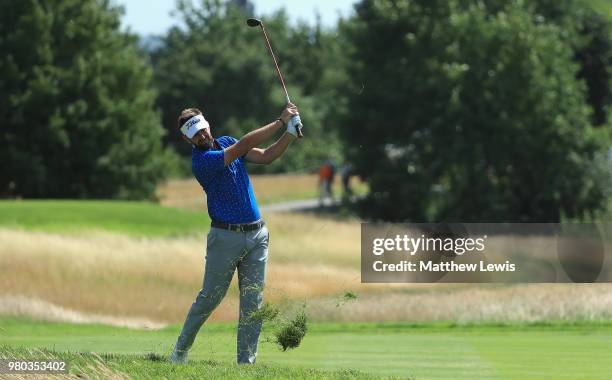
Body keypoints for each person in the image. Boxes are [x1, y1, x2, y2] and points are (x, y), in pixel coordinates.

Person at [170, 103, 301, 365]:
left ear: (208, 126)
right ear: (187, 139)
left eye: (203, 130)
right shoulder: (202, 162)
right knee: (210, 298)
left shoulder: (226, 141)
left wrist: (289, 133)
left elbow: (266, 156)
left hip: (257, 235)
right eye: (195, 134)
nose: (202, 136)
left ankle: (246, 364)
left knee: (253, 302)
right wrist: (279, 122)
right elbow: (241, 147)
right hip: (225, 237)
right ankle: (180, 352)